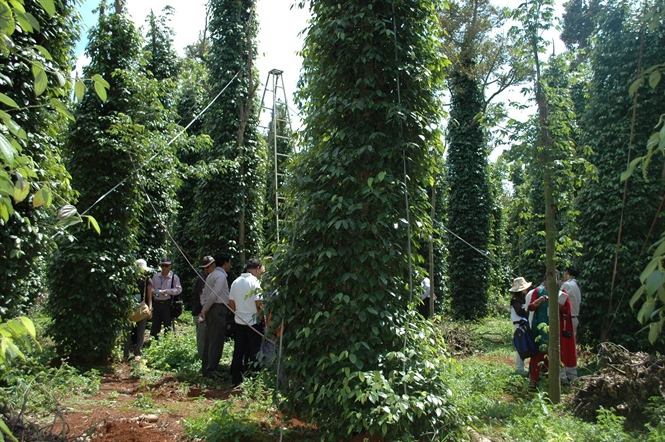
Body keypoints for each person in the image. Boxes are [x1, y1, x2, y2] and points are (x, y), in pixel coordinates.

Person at [229, 258, 265, 387]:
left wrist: (238, 314)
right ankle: (255, 380)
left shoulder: (236, 282)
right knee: (255, 351)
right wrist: (261, 317)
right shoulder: (254, 282)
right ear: (256, 269)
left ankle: (237, 379)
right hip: (253, 322)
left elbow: (231, 303)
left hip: (239, 321)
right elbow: (258, 304)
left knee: (239, 350)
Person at [200, 253, 231, 378]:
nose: (230, 265)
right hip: (218, 309)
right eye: (229, 263)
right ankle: (211, 370)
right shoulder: (221, 276)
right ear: (225, 263)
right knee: (216, 340)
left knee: (210, 339)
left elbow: (205, 295)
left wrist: (205, 308)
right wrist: (205, 309)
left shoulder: (211, 275)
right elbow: (214, 295)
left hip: (213, 309)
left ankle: (207, 367)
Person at [124, 259, 153, 361]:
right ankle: (126, 353)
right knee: (127, 331)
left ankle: (138, 352)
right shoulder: (129, 279)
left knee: (141, 332)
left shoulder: (147, 280)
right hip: (131, 308)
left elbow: (149, 297)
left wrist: (150, 309)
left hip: (142, 308)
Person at [150, 257, 182, 340]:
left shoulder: (174, 277)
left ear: (170, 266)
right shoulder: (156, 276)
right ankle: (153, 342)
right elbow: (151, 287)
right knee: (155, 324)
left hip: (167, 304)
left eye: (166, 266)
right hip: (157, 303)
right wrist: (153, 291)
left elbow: (178, 289)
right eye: (162, 266)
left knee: (167, 324)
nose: (164, 268)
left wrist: (167, 291)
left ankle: (167, 341)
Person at [526, 278, 549, 390]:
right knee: (537, 352)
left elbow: (566, 309)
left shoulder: (560, 292)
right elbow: (531, 307)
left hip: (554, 327)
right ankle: (533, 379)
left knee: (553, 353)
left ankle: (551, 381)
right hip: (539, 325)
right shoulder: (538, 291)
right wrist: (538, 301)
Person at [509, 276, 531, 375]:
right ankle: (519, 368)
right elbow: (520, 312)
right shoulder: (515, 300)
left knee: (525, 345)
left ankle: (522, 367)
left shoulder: (522, 299)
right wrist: (529, 309)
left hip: (523, 324)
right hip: (518, 325)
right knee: (520, 347)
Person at [558, 287, 578, 384]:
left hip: (565, 323)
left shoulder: (563, 291)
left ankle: (565, 374)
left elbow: (566, 309)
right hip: (565, 321)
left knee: (565, 348)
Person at [192, 262, 209, 360]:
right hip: (200, 312)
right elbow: (202, 297)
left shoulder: (206, 278)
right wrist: (204, 310)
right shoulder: (202, 279)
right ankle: (202, 357)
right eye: (212, 267)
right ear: (206, 268)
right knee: (202, 336)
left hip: (202, 311)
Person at [561, 266, 581, 338]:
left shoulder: (567, 284)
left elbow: (559, 301)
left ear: (567, 273)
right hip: (574, 318)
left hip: (568, 320)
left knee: (566, 345)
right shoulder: (575, 285)